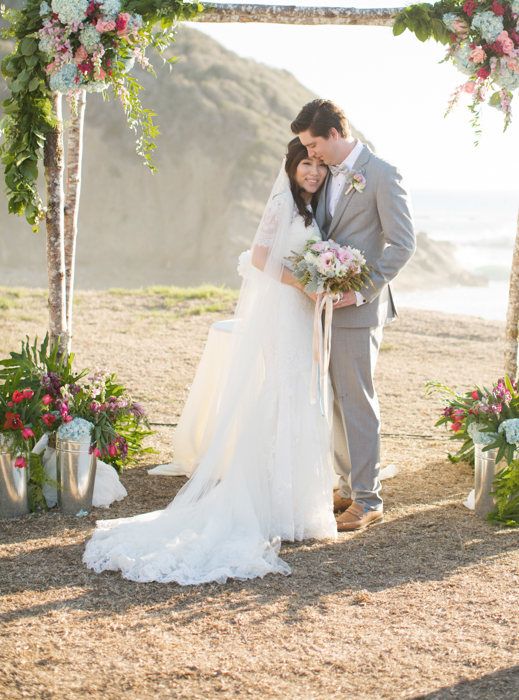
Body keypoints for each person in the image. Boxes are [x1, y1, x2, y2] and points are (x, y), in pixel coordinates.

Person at [83, 138, 336, 585]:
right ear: (292, 166)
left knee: (300, 389)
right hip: (284, 308)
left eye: (319, 164)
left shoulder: (313, 207)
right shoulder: (282, 204)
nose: (313, 171)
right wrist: (305, 285)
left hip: (301, 309)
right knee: (282, 386)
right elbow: (260, 256)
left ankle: (297, 504)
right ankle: (269, 502)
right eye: (306, 164)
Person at [291, 100, 415, 532]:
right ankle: (347, 485)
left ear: (334, 134)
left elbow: (402, 245)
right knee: (336, 403)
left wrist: (360, 292)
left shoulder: (383, 173)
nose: (312, 153)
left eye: (313, 144)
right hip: (324, 308)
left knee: (358, 401)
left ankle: (369, 499)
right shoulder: (323, 175)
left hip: (359, 310)